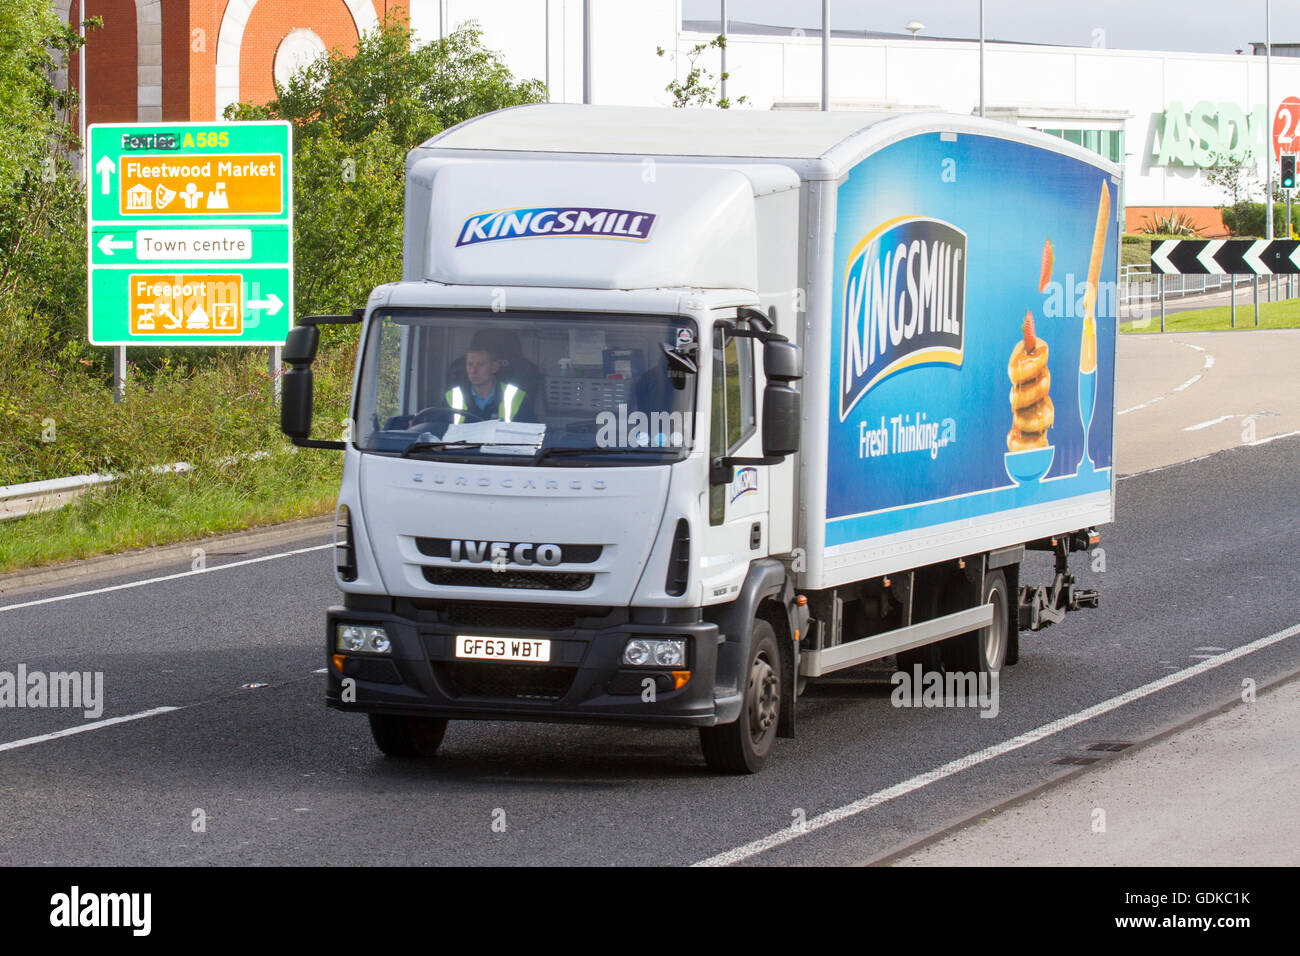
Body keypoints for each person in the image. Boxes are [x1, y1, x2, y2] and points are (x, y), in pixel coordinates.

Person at [445, 345, 531, 423]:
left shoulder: (516, 397)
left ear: (494, 367)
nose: (473, 371)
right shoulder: (452, 397)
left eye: (481, 365)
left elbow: (531, 434)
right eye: (470, 364)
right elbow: (436, 433)